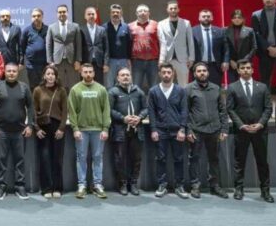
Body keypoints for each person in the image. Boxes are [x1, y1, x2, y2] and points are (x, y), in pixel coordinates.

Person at [227, 60, 273, 202]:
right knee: (239, 161)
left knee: (262, 161)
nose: (246, 70)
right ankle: (238, 189)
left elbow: (268, 108)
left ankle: (265, 191)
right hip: (241, 130)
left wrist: (260, 124)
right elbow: (230, 109)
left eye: (248, 68)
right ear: (238, 71)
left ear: (253, 70)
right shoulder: (232, 87)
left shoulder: (262, 87)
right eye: (243, 68)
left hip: (260, 130)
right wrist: (241, 125)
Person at [0, 63, 34, 201]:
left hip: (20, 131)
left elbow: (30, 107)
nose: (11, 73)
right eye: (9, 71)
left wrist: (29, 125)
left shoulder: (24, 87)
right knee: (0, 159)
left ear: (17, 73)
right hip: (1, 131)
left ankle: (20, 186)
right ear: (4, 72)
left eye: (14, 71)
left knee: (20, 160)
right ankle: (0, 187)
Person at [184, 62, 229, 199]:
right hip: (196, 130)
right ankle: (195, 186)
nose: (202, 73)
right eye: (199, 71)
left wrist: (224, 129)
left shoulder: (216, 88)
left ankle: (214, 186)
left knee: (214, 159)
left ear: (208, 73)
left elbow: (222, 110)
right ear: (194, 74)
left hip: (214, 130)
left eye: (204, 70)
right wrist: (188, 130)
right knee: (194, 159)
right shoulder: (188, 89)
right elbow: (185, 112)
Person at [68, 63, 111, 199]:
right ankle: (82, 185)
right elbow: (72, 111)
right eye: (85, 72)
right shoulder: (75, 89)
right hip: (82, 130)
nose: (88, 74)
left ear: (94, 73)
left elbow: (106, 110)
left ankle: (97, 185)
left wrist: (105, 128)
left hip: (98, 130)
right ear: (81, 73)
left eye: (90, 72)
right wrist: (75, 128)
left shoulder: (101, 89)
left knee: (98, 158)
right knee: (81, 158)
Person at [148, 63, 189, 199]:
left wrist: (182, 129)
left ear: (173, 74)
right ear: (160, 74)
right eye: (164, 72)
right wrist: (153, 129)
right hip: (160, 131)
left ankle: (179, 185)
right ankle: (162, 185)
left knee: (179, 159)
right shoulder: (153, 91)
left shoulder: (180, 91)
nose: (166, 75)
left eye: (169, 72)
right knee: (161, 158)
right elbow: (151, 112)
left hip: (177, 130)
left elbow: (184, 111)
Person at [108, 67, 147, 196]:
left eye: (128, 75)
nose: (125, 77)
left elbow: (146, 109)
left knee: (136, 159)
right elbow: (109, 110)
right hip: (120, 130)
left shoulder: (139, 91)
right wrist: (123, 118)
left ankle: (134, 184)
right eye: (122, 75)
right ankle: (122, 184)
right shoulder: (113, 92)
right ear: (118, 78)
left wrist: (140, 117)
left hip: (137, 130)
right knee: (120, 159)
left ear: (131, 77)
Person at [32, 65, 67, 199]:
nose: (50, 76)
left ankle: (57, 187)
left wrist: (61, 128)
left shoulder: (61, 90)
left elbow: (65, 111)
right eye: (48, 74)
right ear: (44, 76)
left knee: (57, 159)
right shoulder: (37, 90)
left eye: (53, 74)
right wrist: (37, 129)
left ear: (56, 76)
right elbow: (33, 111)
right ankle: (46, 188)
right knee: (44, 158)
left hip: (57, 127)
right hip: (43, 128)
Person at [157, 1, 194, 85]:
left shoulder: (186, 23)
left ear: (178, 9)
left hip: (183, 59)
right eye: (171, 8)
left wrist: (191, 58)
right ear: (167, 10)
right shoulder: (161, 24)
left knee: (183, 85)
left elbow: (190, 42)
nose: (173, 10)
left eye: (175, 8)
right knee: (167, 83)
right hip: (167, 59)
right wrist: (161, 60)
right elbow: (162, 43)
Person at [47, 4, 82, 87]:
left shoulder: (75, 26)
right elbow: (49, 45)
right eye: (60, 12)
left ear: (67, 13)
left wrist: (78, 60)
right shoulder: (51, 27)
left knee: (74, 84)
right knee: (58, 84)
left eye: (64, 12)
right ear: (57, 14)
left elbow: (78, 44)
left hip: (72, 60)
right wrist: (50, 61)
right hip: (57, 61)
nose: (62, 14)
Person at [192, 9, 227, 86]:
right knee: (198, 88)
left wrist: (225, 61)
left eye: (208, 16)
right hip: (198, 65)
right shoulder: (192, 31)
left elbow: (225, 48)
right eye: (203, 16)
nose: (206, 18)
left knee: (215, 88)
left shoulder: (220, 31)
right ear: (199, 18)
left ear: (212, 18)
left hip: (215, 66)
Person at [129, 4, 159, 92]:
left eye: (145, 11)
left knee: (154, 87)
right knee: (136, 86)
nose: (143, 13)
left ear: (149, 13)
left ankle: (153, 101)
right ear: (136, 13)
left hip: (153, 61)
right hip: (137, 61)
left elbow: (161, 42)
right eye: (140, 11)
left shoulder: (156, 25)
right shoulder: (130, 26)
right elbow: (128, 44)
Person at [224, 10, 258, 83]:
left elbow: (254, 47)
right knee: (233, 85)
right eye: (234, 18)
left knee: (246, 83)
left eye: (239, 17)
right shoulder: (225, 30)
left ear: (243, 19)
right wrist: (230, 60)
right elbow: (224, 47)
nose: (237, 19)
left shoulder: (250, 30)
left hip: (245, 62)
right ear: (231, 19)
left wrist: (244, 60)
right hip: (232, 63)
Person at [20, 8, 49, 88]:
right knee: (34, 87)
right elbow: (22, 47)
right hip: (31, 65)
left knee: (46, 86)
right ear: (31, 18)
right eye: (34, 16)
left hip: (45, 64)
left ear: (42, 17)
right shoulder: (26, 30)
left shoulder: (48, 29)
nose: (36, 18)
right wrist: (21, 62)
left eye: (38, 16)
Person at [105, 4, 132, 88]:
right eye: (113, 12)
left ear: (121, 14)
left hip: (123, 60)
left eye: (117, 12)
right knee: (109, 84)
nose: (115, 14)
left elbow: (129, 43)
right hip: (110, 61)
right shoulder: (104, 27)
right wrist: (105, 62)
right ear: (110, 14)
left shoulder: (126, 27)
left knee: (124, 83)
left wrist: (129, 58)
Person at [79, 6, 108, 85]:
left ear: (96, 15)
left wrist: (106, 63)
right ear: (85, 16)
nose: (91, 16)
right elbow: (79, 48)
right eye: (89, 14)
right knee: (85, 85)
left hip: (99, 63)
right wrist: (80, 63)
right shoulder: (80, 29)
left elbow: (106, 48)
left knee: (99, 84)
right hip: (85, 62)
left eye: (93, 14)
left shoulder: (102, 30)